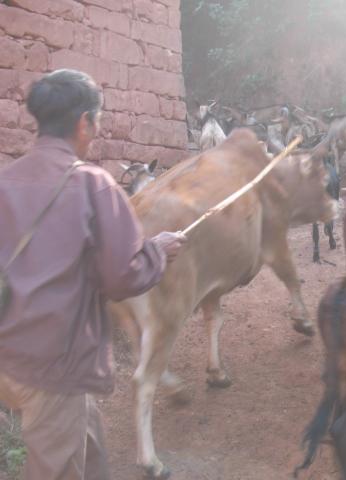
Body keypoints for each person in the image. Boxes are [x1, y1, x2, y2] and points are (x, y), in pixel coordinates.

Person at [0, 69, 186, 479]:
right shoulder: (93, 185)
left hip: (9, 357)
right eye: (97, 120)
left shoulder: (5, 181)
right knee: (56, 463)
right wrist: (157, 250)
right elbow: (122, 277)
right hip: (54, 364)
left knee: (88, 444)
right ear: (84, 122)